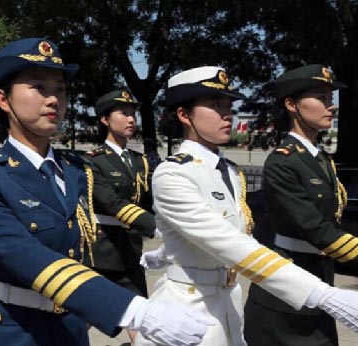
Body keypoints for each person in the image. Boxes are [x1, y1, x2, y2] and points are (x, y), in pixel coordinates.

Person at [0, 37, 214, 346]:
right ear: (2, 100)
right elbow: (24, 254)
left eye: (60, 90)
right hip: (10, 329)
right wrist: (134, 310)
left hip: (70, 327)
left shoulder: (76, 169)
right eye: (39, 87)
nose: (54, 100)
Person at [136, 66, 358, 346]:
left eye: (229, 105)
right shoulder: (173, 173)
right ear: (184, 115)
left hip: (228, 303)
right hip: (186, 309)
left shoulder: (229, 171)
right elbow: (228, 242)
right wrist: (321, 294)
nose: (227, 114)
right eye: (216, 106)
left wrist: (169, 247)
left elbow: (230, 231)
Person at [243, 64, 353, 345]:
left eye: (331, 99)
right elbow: (315, 228)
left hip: (319, 279)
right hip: (285, 293)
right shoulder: (283, 161)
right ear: (291, 104)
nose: (330, 107)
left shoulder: (322, 160)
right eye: (321, 98)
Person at [85, 89, 155, 342]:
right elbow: (111, 202)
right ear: (105, 120)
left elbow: (147, 203)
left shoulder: (140, 162)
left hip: (130, 251)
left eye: (133, 113)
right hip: (101, 251)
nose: (131, 119)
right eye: (123, 113)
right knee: (83, 319)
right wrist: (154, 226)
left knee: (140, 322)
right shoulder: (93, 160)